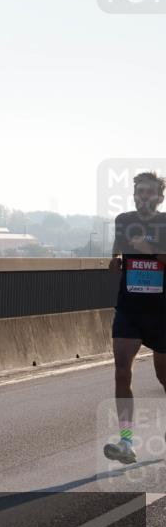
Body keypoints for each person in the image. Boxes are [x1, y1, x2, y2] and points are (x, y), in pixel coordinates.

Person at [103, 171, 166, 464]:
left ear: (160, 197)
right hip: (129, 308)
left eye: (150, 192)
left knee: (163, 376)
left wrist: (151, 250)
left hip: (162, 312)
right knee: (121, 372)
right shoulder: (123, 221)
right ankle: (126, 442)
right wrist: (115, 260)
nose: (144, 197)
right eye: (140, 192)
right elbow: (118, 247)